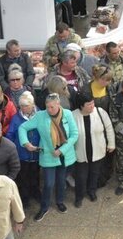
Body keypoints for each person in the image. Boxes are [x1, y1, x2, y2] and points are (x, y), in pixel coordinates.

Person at [18, 92, 78, 221]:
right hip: (48, 155)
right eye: (47, 107)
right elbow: (22, 127)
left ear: (58, 104)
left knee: (61, 180)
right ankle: (44, 207)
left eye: (52, 107)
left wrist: (62, 150)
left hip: (63, 154)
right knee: (49, 183)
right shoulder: (40, 116)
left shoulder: (67, 114)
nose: (49, 110)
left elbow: (74, 134)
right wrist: (26, 143)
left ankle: (60, 202)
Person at [72, 92, 114, 207]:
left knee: (94, 173)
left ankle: (92, 191)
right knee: (81, 176)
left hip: (97, 150)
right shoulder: (72, 115)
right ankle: (79, 196)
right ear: (81, 106)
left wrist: (111, 144)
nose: (92, 106)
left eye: (92, 103)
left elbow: (109, 127)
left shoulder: (100, 112)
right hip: (80, 152)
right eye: (88, 104)